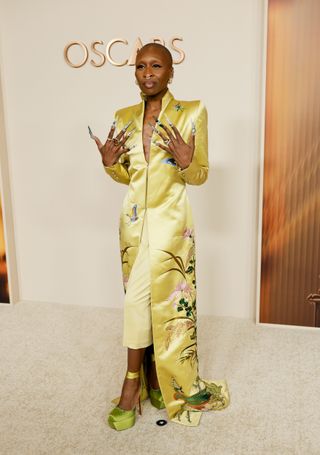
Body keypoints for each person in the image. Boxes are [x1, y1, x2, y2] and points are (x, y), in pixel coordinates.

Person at [90, 43, 230, 430]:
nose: (147, 72)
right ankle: (141, 379)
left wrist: (188, 162)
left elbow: (199, 174)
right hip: (134, 224)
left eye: (156, 65)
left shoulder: (193, 112)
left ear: (171, 72)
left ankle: (140, 382)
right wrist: (108, 165)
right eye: (140, 66)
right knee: (137, 303)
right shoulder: (124, 116)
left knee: (165, 309)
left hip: (172, 226)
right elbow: (127, 174)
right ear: (134, 73)